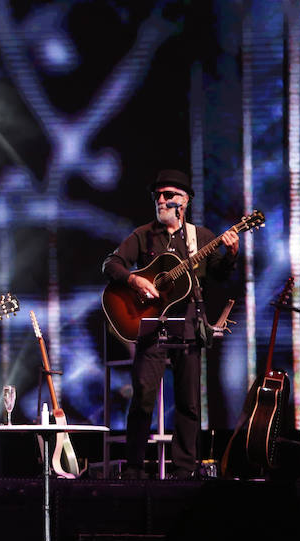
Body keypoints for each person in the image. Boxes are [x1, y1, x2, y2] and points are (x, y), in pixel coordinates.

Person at [102, 169, 238, 480]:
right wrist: (134, 280)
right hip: (151, 325)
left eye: (169, 196)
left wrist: (231, 254)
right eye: (158, 196)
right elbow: (110, 263)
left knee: (189, 402)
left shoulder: (200, 237)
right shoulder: (144, 235)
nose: (161, 201)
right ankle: (135, 468)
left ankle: (184, 470)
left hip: (188, 324)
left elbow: (218, 275)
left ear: (184, 201)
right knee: (142, 396)